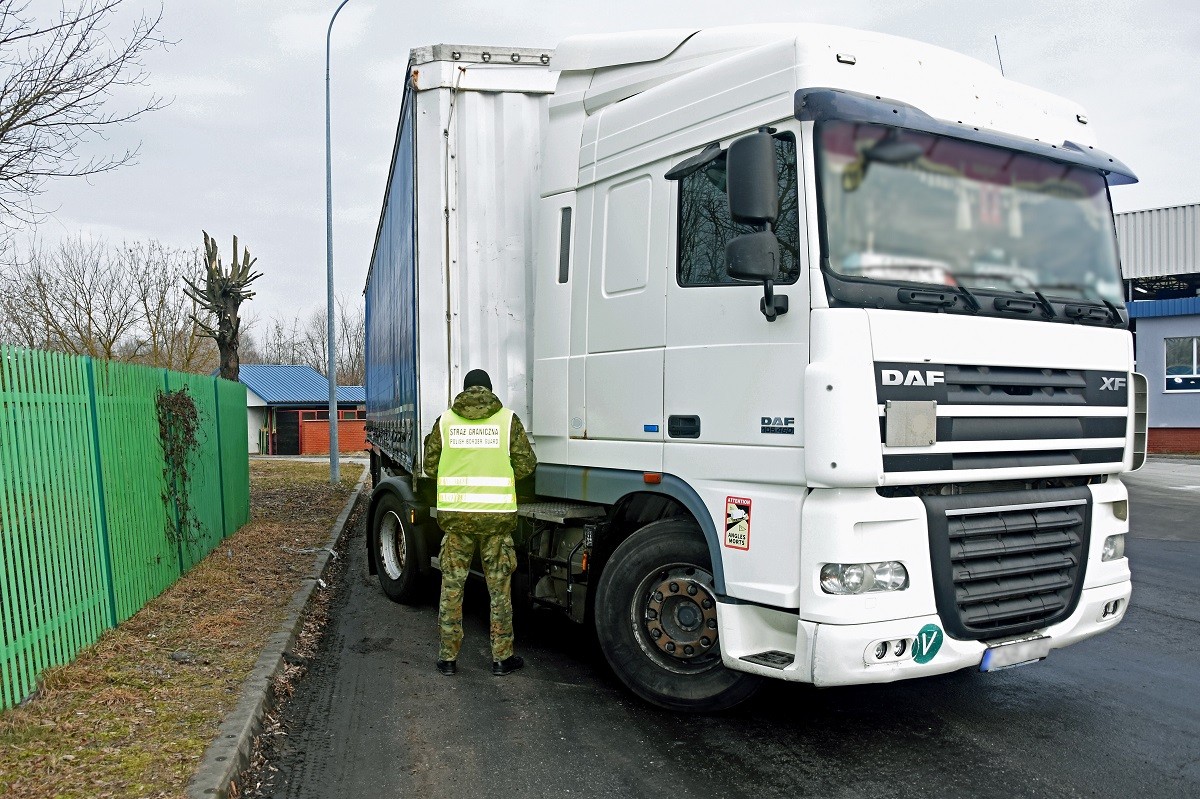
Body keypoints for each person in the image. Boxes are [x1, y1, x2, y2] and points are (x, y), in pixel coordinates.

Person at [423, 368, 536, 676]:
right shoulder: (507, 420)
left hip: (457, 520)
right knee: (499, 590)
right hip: (496, 521)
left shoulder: (445, 422)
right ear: (488, 389)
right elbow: (526, 466)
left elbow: (430, 468)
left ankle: (448, 658)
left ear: (465, 390)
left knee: (452, 587)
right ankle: (502, 658)